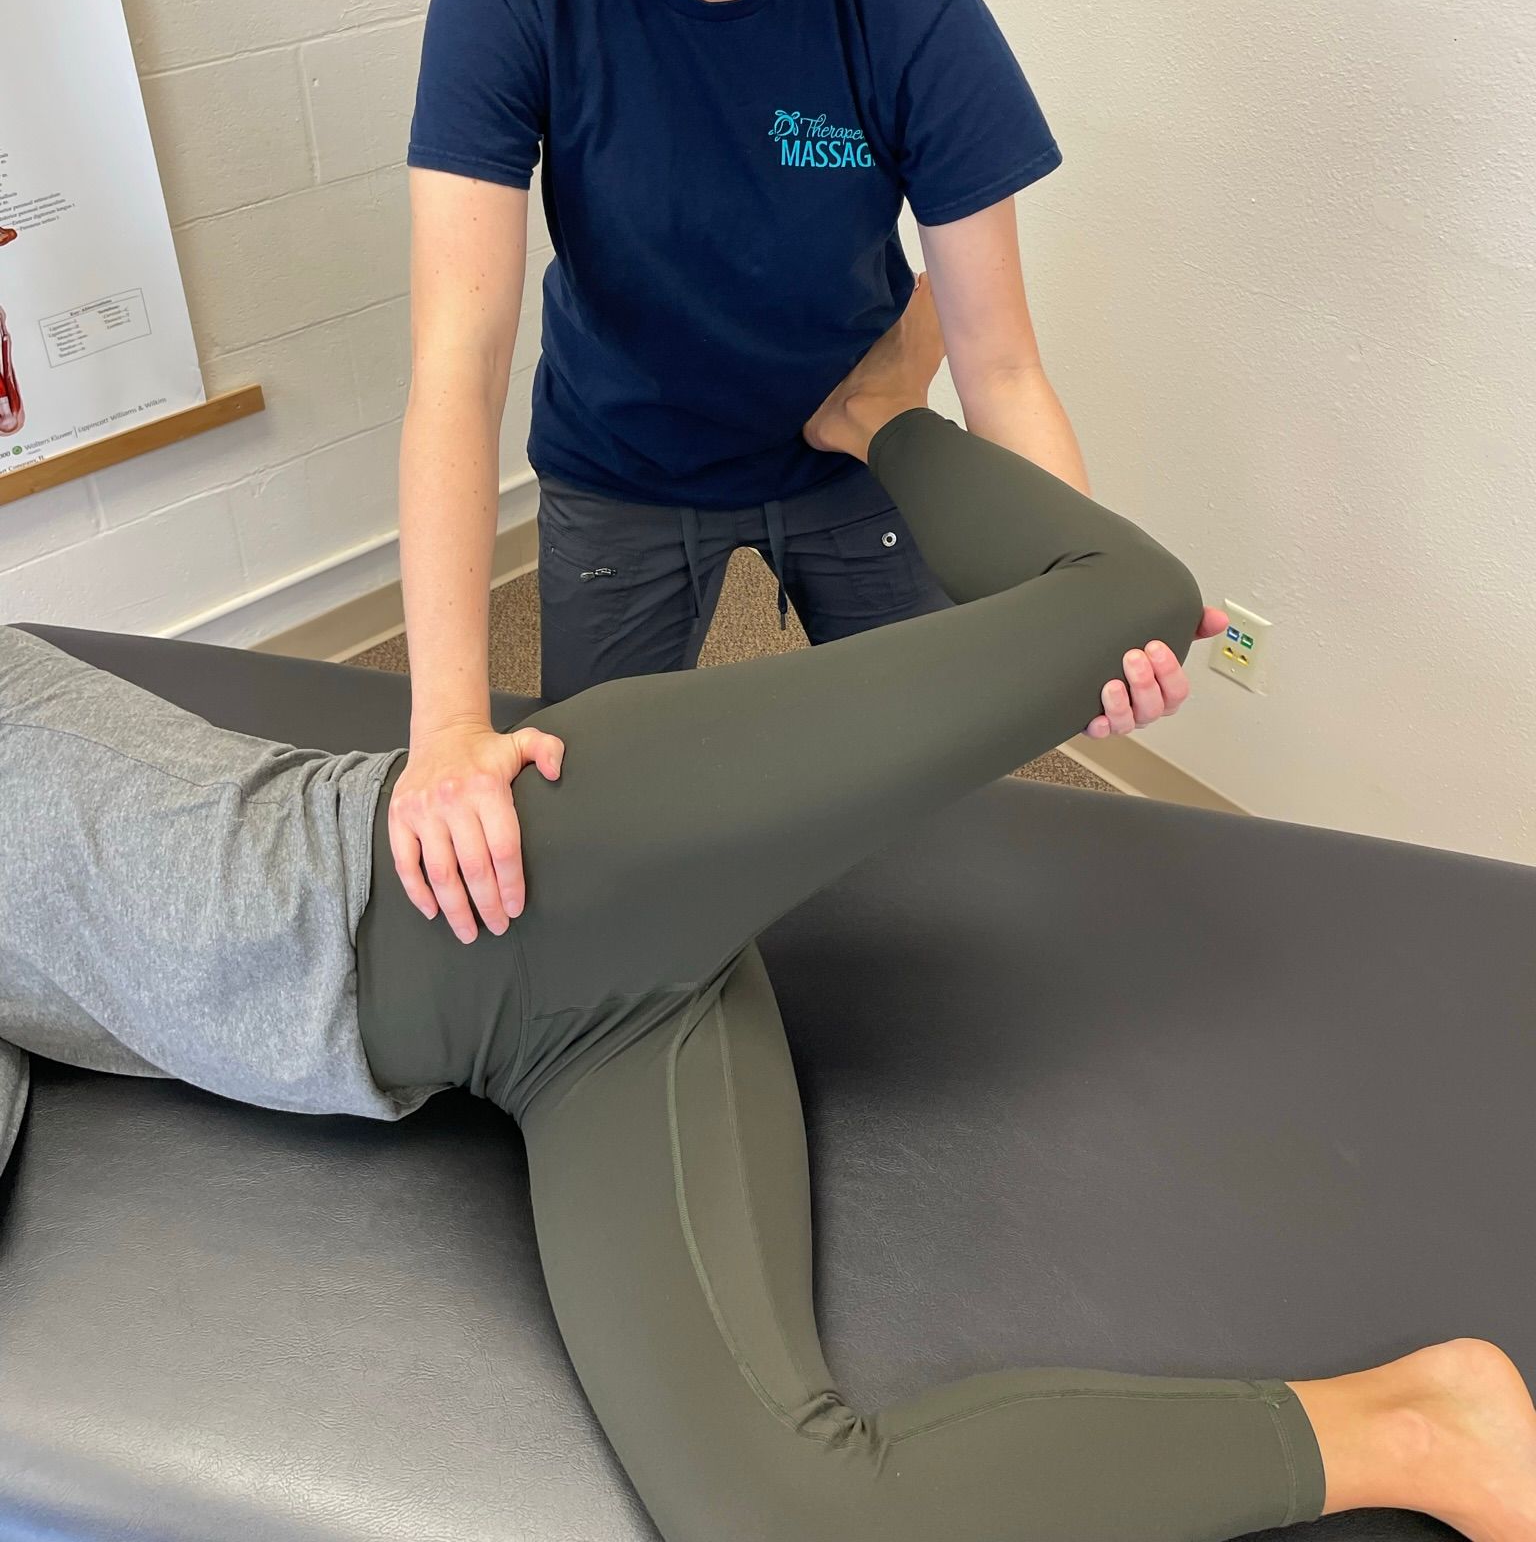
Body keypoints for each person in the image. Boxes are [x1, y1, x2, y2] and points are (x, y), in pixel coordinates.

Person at [3, 292, 1533, 1542]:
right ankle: (1415, 1423)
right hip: (521, 1043)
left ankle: (867, 415)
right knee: (767, 1512)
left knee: (1125, 604)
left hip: (543, 852)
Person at [391, 0, 1232, 944]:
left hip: (851, 445)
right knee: (587, 815)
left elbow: (1004, 365)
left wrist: (1093, 605)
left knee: (930, 801)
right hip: (620, 460)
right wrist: (443, 723)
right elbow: (455, 356)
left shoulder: (901, 0)